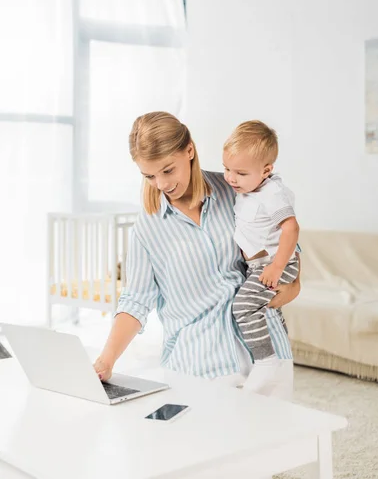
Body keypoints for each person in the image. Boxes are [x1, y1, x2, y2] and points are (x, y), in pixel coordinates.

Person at [94, 112, 300, 399]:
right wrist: (106, 360)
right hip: (199, 366)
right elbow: (136, 300)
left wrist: (290, 288)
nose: (162, 184)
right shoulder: (147, 228)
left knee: (283, 442)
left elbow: (285, 251)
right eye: (149, 176)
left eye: (168, 170)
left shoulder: (238, 192)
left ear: (189, 150)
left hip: (265, 353)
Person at [223, 120, 300, 393]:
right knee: (246, 306)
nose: (231, 178)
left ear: (266, 170)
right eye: (227, 169)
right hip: (258, 265)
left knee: (242, 306)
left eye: (240, 173)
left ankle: (266, 360)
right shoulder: (246, 189)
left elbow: (291, 228)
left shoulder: (273, 193)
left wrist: (277, 267)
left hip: (275, 265)